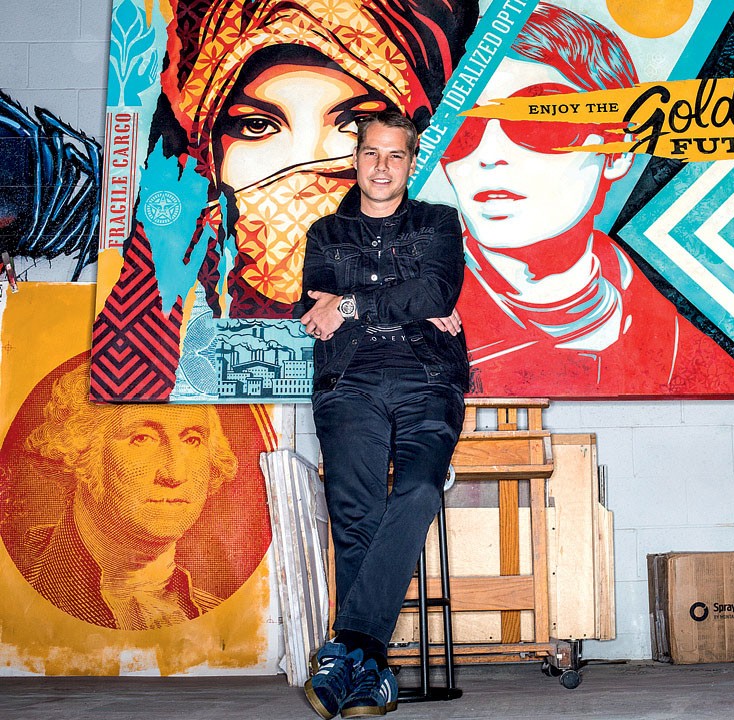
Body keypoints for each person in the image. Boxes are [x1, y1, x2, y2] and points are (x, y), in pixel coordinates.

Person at [90, 0, 477, 401]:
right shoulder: (165, 318)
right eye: (257, 125)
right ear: (210, 154)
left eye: (353, 123)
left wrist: (409, 302)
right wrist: (408, 301)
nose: (305, 164)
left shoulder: (432, 229)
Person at [441, 3, 734, 397]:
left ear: (617, 152)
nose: (488, 154)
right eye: (461, 128)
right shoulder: (416, 317)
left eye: (540, 120)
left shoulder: (700, 354)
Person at [295, 110, 468, 718]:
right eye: (372, 153)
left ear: (411, 163)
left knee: (419, 489)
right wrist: (404, 299)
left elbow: (436, 292)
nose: (382, 166)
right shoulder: (324, 232)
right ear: (356, 159)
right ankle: (371, 675)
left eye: (396, 155)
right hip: (350, 379)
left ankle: (350, 648)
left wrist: (350, 303)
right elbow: (314, 311)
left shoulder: (439, 222)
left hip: (429, 376)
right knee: (355, 513)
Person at [20, 365, 238, 630]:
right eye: (142, 438)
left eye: (192, 440)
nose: (174, 474)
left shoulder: (222, 617)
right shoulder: (20, 595)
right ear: (81, 451)